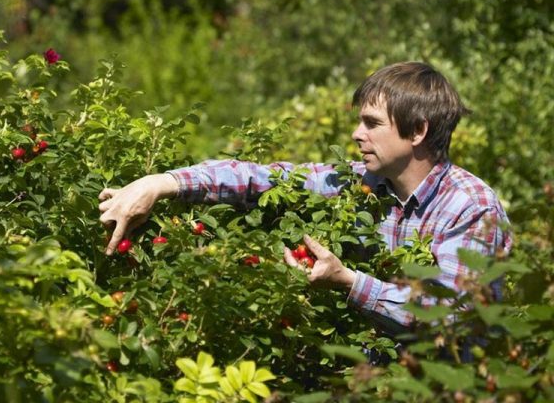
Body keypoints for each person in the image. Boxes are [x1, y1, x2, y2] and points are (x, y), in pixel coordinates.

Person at [97, 61, 512, 336]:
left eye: (371, 123)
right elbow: (262, 178)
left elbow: (452, 317)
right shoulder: (363, 184)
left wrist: (349, 282)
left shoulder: (470, 206)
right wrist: (161, 182)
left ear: (417, 131)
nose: (356, 134)